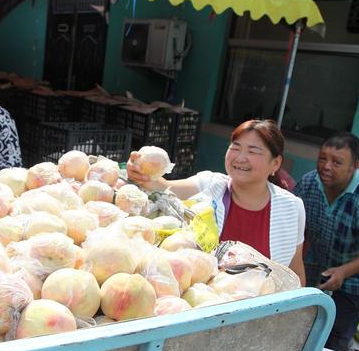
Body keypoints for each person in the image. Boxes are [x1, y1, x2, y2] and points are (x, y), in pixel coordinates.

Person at [128, 119, 306, 283]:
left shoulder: (291, 207)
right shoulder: (210, 185)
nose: (240, 157)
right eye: (235, 147)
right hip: (207, 305)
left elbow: (295, 268)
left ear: (275, 163)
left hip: (264, 310)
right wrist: (141, 173)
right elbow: (163, 186)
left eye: (252, 151)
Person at [294, 132, 359, 351]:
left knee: (335, 337)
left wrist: (342, 272)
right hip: (314, 265)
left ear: (355, 166)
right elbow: (296, 226)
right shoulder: (309, 183)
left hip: (356, 280)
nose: (326, 167)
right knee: (304, 326)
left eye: (337, 162)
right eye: (322, 158)